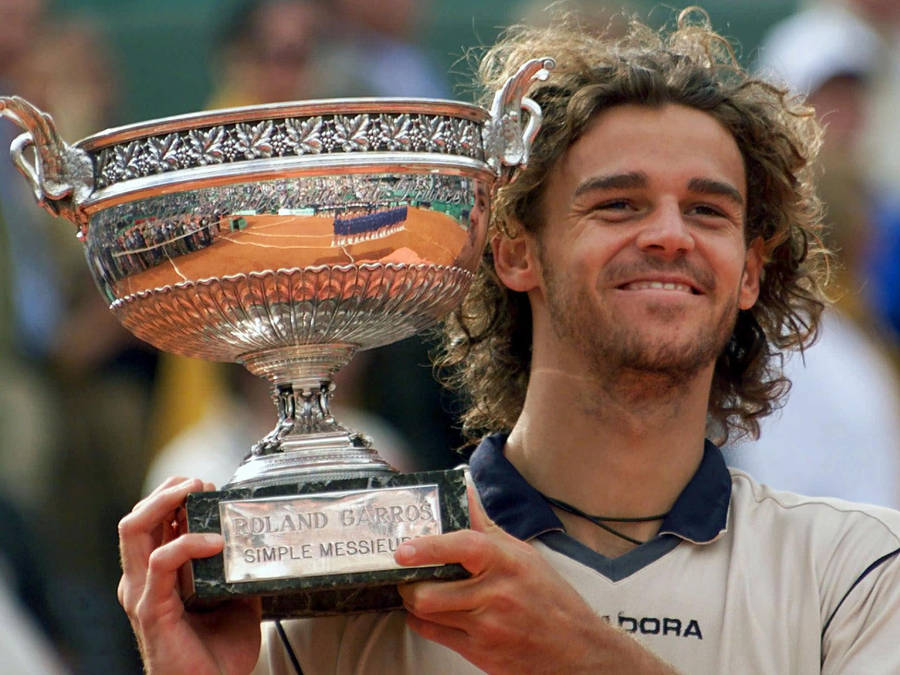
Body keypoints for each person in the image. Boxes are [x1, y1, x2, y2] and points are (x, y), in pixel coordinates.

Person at [117, 9, 900, 673]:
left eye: (708, 212)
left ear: (750, 273)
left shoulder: (856, 570)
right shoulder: (350, 594)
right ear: (514, 250)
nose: (669, 235)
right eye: (619, 205)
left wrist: (581, 653)